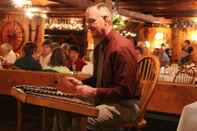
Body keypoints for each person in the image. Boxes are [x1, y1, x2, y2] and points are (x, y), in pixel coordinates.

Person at [55, 3, 139, 131]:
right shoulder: (101, 46)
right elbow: (99, 81)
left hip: (124, 106)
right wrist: (80, 84)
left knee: (81, 119)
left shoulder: (121, 47)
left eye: (92, 21)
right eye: (87, 22)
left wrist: (93, 91)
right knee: (63, 107)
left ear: (107, 20)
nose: (88, 26)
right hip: (104, 101)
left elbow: (125, 91)